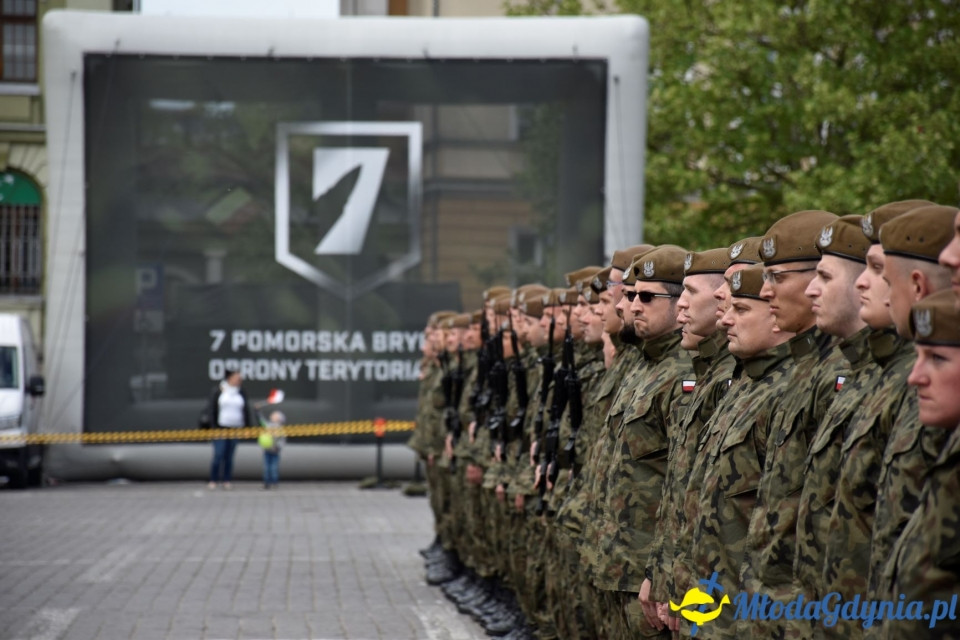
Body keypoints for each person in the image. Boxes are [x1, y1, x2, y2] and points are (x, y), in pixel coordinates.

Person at [207, 369, 253, 490]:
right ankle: (213, 479)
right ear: (230, 378)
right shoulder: (219, 390)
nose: (239, 380)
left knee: (229, 456)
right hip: (221, 428)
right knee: (218, 454)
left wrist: (247, 427)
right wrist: (213, 427)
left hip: (235, 428)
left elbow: (245, 410)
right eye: (237, 377)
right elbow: (212, 410)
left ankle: (226, 480)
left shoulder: (241, 392)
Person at [260, 410, 286, 490]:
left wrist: (278, 447)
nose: (272, 416)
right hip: (267, 450)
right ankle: (266, 483)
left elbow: (282, 440)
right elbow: (261, 421)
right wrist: (257, 412)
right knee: (266, 468)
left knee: (274, 468)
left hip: (275, 451)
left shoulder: (280, 429)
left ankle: (274, 482)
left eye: (275, 416)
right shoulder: (267, 426)